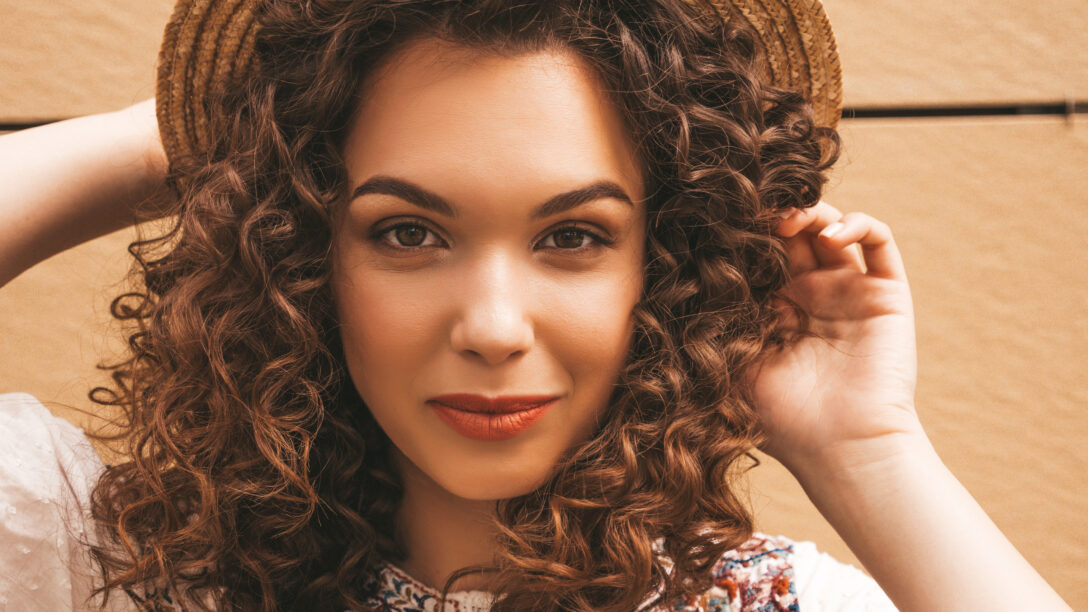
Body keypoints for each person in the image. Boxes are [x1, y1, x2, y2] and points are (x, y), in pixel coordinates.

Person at [0, 0, 1072, 610]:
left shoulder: (774, 607)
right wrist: (198, 145)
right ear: (297, 255)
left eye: (572, 237)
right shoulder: (120, 568)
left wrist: (865, 450)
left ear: (664, 268)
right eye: (407, 231)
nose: (492, 326)